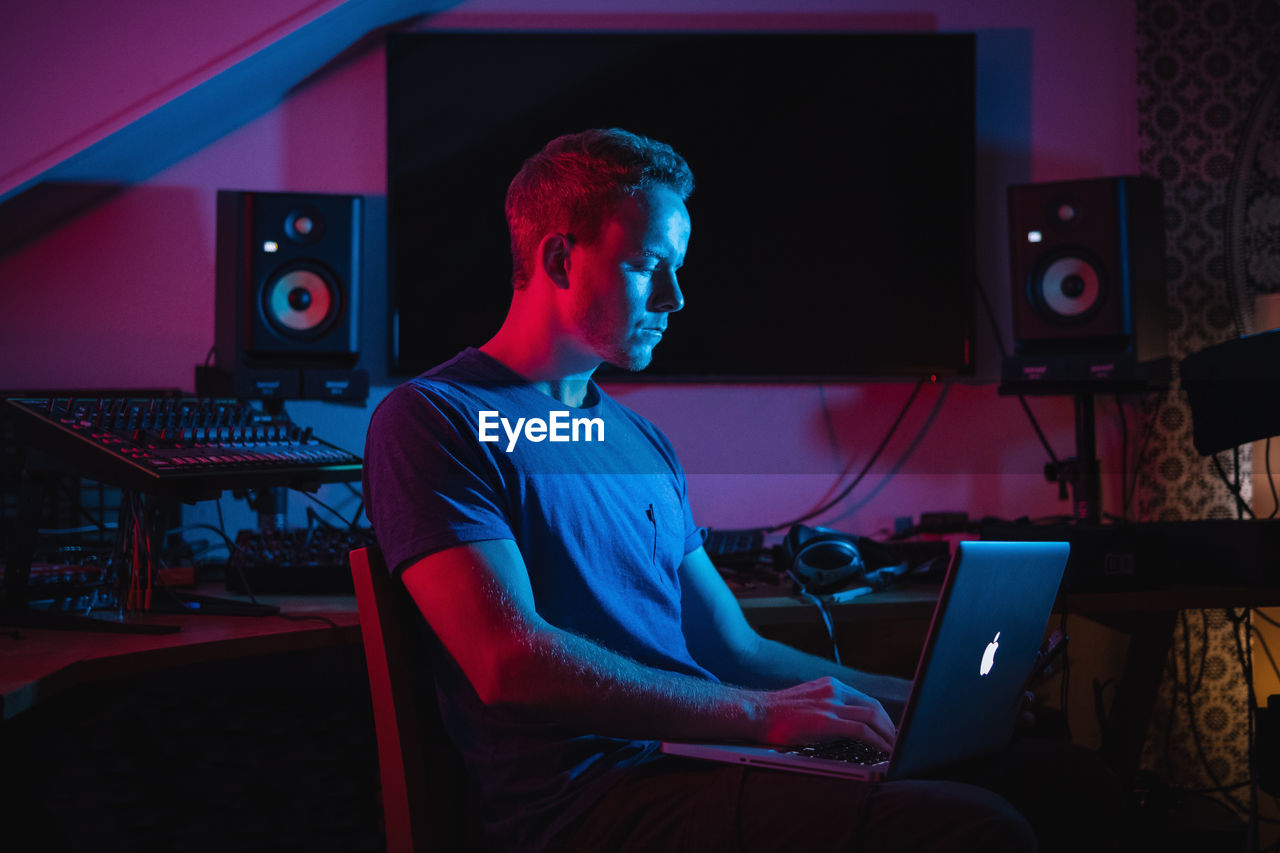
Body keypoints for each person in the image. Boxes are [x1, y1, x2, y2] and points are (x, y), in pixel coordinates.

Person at [363, 128, 1038, 851]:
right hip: (589, 801)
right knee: (975, 827)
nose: (674, 297)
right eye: (648, 264)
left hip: (701, 763)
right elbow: (510, 662)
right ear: (560, 258)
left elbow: (734, 648)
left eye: (676, 267)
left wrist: (910, 700)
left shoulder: (641, 441)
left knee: (1046, 772)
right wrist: (759, 718)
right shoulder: (435, 418)